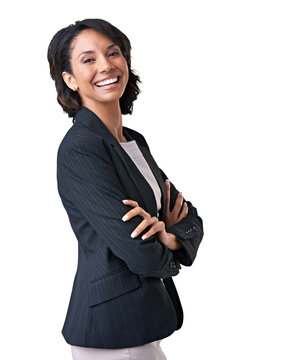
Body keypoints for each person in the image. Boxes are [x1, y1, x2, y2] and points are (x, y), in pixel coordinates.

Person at [47, 18, 204, 360]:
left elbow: (189, 216)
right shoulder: (81, 149)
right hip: (113, 333)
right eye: (88, 59)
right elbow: (141, 254)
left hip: (140, 323)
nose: (106, 65)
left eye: (113, 52)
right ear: (70, 79)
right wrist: (166, 246)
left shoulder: (133, 141)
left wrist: (170, 236)